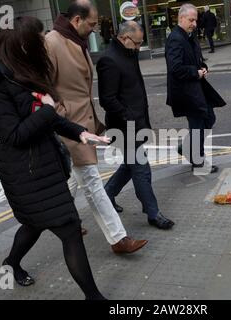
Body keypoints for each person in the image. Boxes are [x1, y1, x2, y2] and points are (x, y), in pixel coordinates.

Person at [0, 16, 107, 300]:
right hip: (24, 170)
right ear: (21, 44)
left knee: (34, 223)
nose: (43, 44)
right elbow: (14, 135)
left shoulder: (20, 71)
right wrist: (48, 111)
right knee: (69, 229)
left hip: (43, 165)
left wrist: (80, 133)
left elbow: (45, 118)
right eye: (38, 40)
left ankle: (11, 263)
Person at [46, 0, 148, 253]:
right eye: (91, 24)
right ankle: (118, 239)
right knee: (91, 182)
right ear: (77, 20)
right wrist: (62, 117)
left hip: (82, 123)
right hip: (69, 126)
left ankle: (63, 221)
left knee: (71, 178)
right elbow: (43, 88)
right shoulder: (52, 42)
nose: (95, 29)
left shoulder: (74, 40)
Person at [97, 21, 175, 230]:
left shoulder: (128, 53)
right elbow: (107, 99)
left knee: (130, 167)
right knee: (141, 169)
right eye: (137, 43)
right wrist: (129, 116)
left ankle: (106, 195)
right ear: (124, 38)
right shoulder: (108, 60)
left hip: (137, 122)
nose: (139, 48)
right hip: (123, 127)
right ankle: (152, 213)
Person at [165, 3, 226, 174]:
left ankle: (186, 148)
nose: (194, 23)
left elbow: (195, 59)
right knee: (198, 124)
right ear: (181, 18)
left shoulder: (188, 35)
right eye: (191, 20)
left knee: (209, 118)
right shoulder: (176, 38)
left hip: (196, 88)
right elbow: (175, 68)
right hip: (186, 92)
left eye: (195, 20)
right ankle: (198, 162)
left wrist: (203, 67)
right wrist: (195, 72)